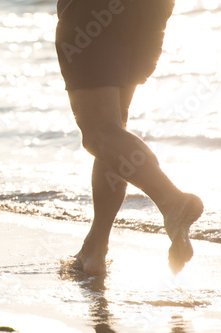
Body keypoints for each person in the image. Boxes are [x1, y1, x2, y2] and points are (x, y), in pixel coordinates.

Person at [55, 0, 203, 276]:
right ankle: (95, 250)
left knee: (99, 133)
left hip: (94, 10)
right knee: (113, 128)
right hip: (150, 10)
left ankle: (172, 201)